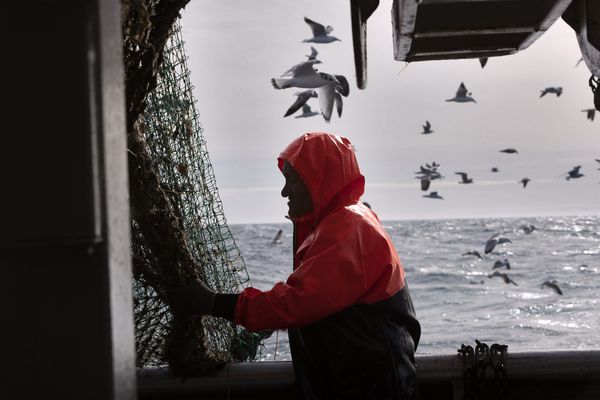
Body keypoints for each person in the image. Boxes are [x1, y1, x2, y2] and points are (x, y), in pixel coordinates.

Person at [178, 132, 420, 399]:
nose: (284, 192)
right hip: (361, 382)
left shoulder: (348, 226)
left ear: (319, 181)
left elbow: (296, 303)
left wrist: (214, 303)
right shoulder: (345, 221)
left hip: (371, 388)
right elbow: (319, 301)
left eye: (292, 180)